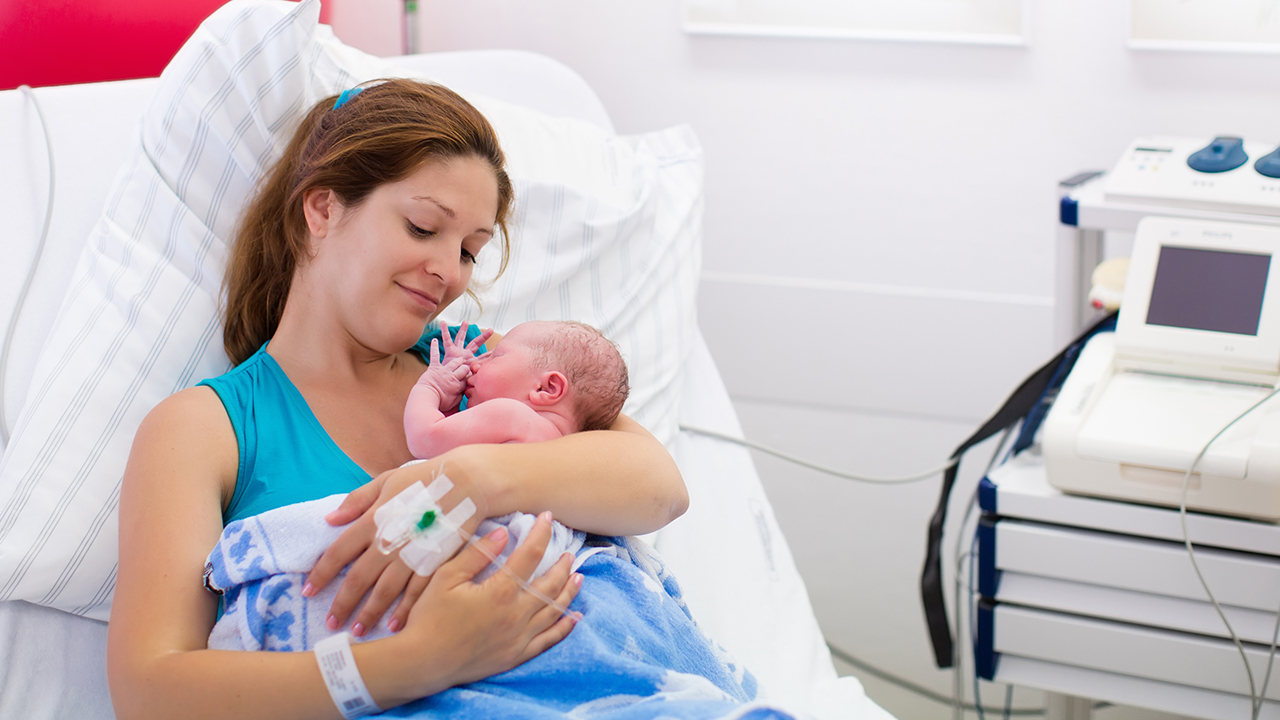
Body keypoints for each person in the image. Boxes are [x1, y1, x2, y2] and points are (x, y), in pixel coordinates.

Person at [107, 78, 687, 720]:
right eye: (422, 227)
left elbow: (659, 486)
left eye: (469, 249)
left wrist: (470, 478)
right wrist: (419, 662)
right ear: (322, 209)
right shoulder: (208, 427)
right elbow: (149, 690)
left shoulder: (475, 363)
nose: (449, 271)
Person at [404, 319, 630, 459]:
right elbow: (455, 447)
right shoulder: (566, 450)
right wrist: (452, 408)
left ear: (546, 388)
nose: (475, 364)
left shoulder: (511, 414)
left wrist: (430, 386)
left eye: (495, 356)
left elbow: (425, 440)